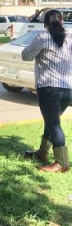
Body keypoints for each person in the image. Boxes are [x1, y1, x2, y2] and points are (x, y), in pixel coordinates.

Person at [21, 9, 71, 173]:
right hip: (67, 88)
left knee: (54, 124)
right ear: (62, 21)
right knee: (51, 121)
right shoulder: (70, 37)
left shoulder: (42, 37)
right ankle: (42, 153)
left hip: (49, 88)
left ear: (45, 22)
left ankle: (62, 163)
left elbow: (26, 56)